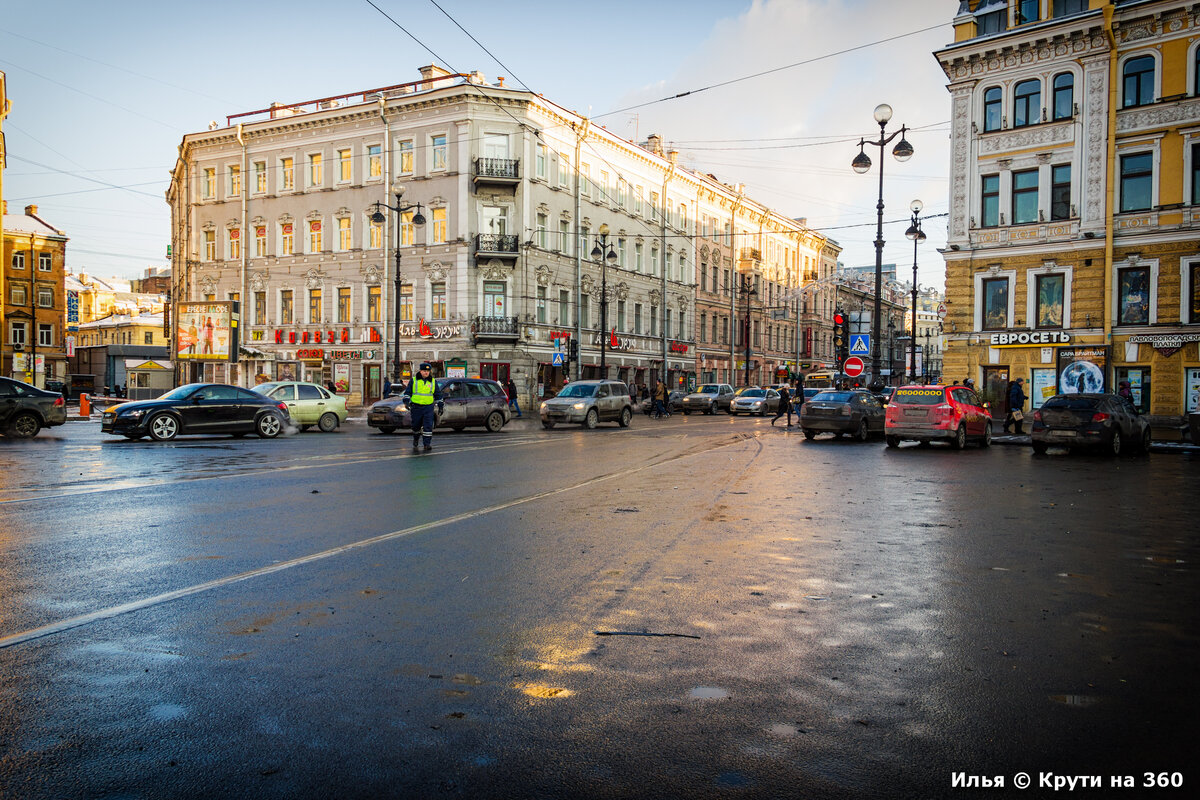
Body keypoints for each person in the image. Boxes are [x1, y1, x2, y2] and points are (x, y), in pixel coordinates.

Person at [401, 362, 444, 452]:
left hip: (428, 407)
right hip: (416, 407)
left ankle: (427, 444)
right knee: (416, 426)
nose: (426, 373)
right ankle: (416, 438)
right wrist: (406, 401)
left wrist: (440, 405)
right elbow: (408, 392)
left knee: (428, 426)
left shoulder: (433, 381)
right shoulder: (414, 380)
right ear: (420, 371)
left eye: (428, 371)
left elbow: (438, 394)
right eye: (424, 371)